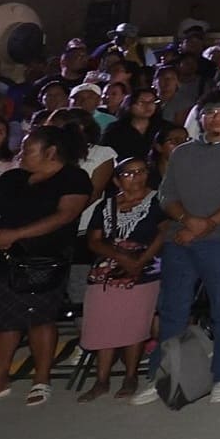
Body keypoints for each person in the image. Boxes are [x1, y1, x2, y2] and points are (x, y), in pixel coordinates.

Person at [136, 89, 220, 406]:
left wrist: (206, 224)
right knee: (173, 311)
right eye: (210, 111)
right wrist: (187, 220)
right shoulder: (182, 152)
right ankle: (164, 378)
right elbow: (166, 195)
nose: (216, 117)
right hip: (180, 239)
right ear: (201, 116)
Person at [0, 126, 92, 405]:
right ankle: (1, 374)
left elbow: (66, 215)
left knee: (40, 317)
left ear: (51, 152)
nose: (20, 153)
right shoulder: (13, 177)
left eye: (28, 149)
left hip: (44, 258)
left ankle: (42, 377)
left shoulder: (73, 178)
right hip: (6, 256)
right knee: (6, 319)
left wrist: (16, 235)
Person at [76, 156, 171, 401]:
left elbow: (163, 233)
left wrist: (138, 261)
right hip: (107, 269)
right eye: (128, 174)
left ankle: (130, 376)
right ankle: (102, 379)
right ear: (117, 180)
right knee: (101, 323)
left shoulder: (158, 201)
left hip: (146, 268)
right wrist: (121, 256)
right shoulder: (106, 206)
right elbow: (94, 240)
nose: (136, 177)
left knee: (134, 324)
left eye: (140, 172)